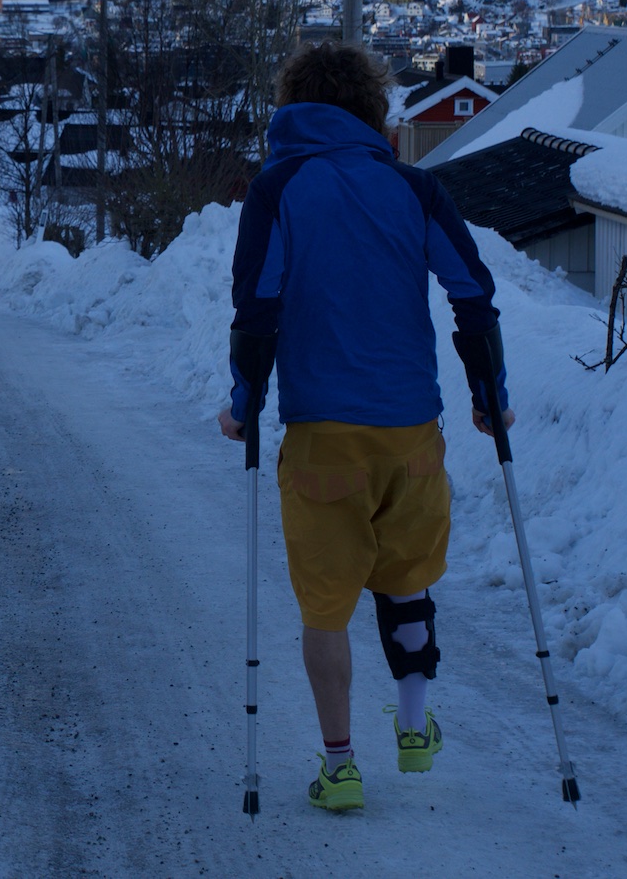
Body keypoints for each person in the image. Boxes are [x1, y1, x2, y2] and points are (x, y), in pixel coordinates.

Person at [218, 41, 514, 813]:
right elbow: (471, 295)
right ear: (373, 109)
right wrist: (490, 395)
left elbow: (258, 311)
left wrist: (242, 405)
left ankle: (340, 763)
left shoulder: (279, 187)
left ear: (295, 106)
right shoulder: (414, 188)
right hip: (411, 428)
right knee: (406, 571)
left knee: (326, 604)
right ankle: (414, 728)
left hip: (321, 433)